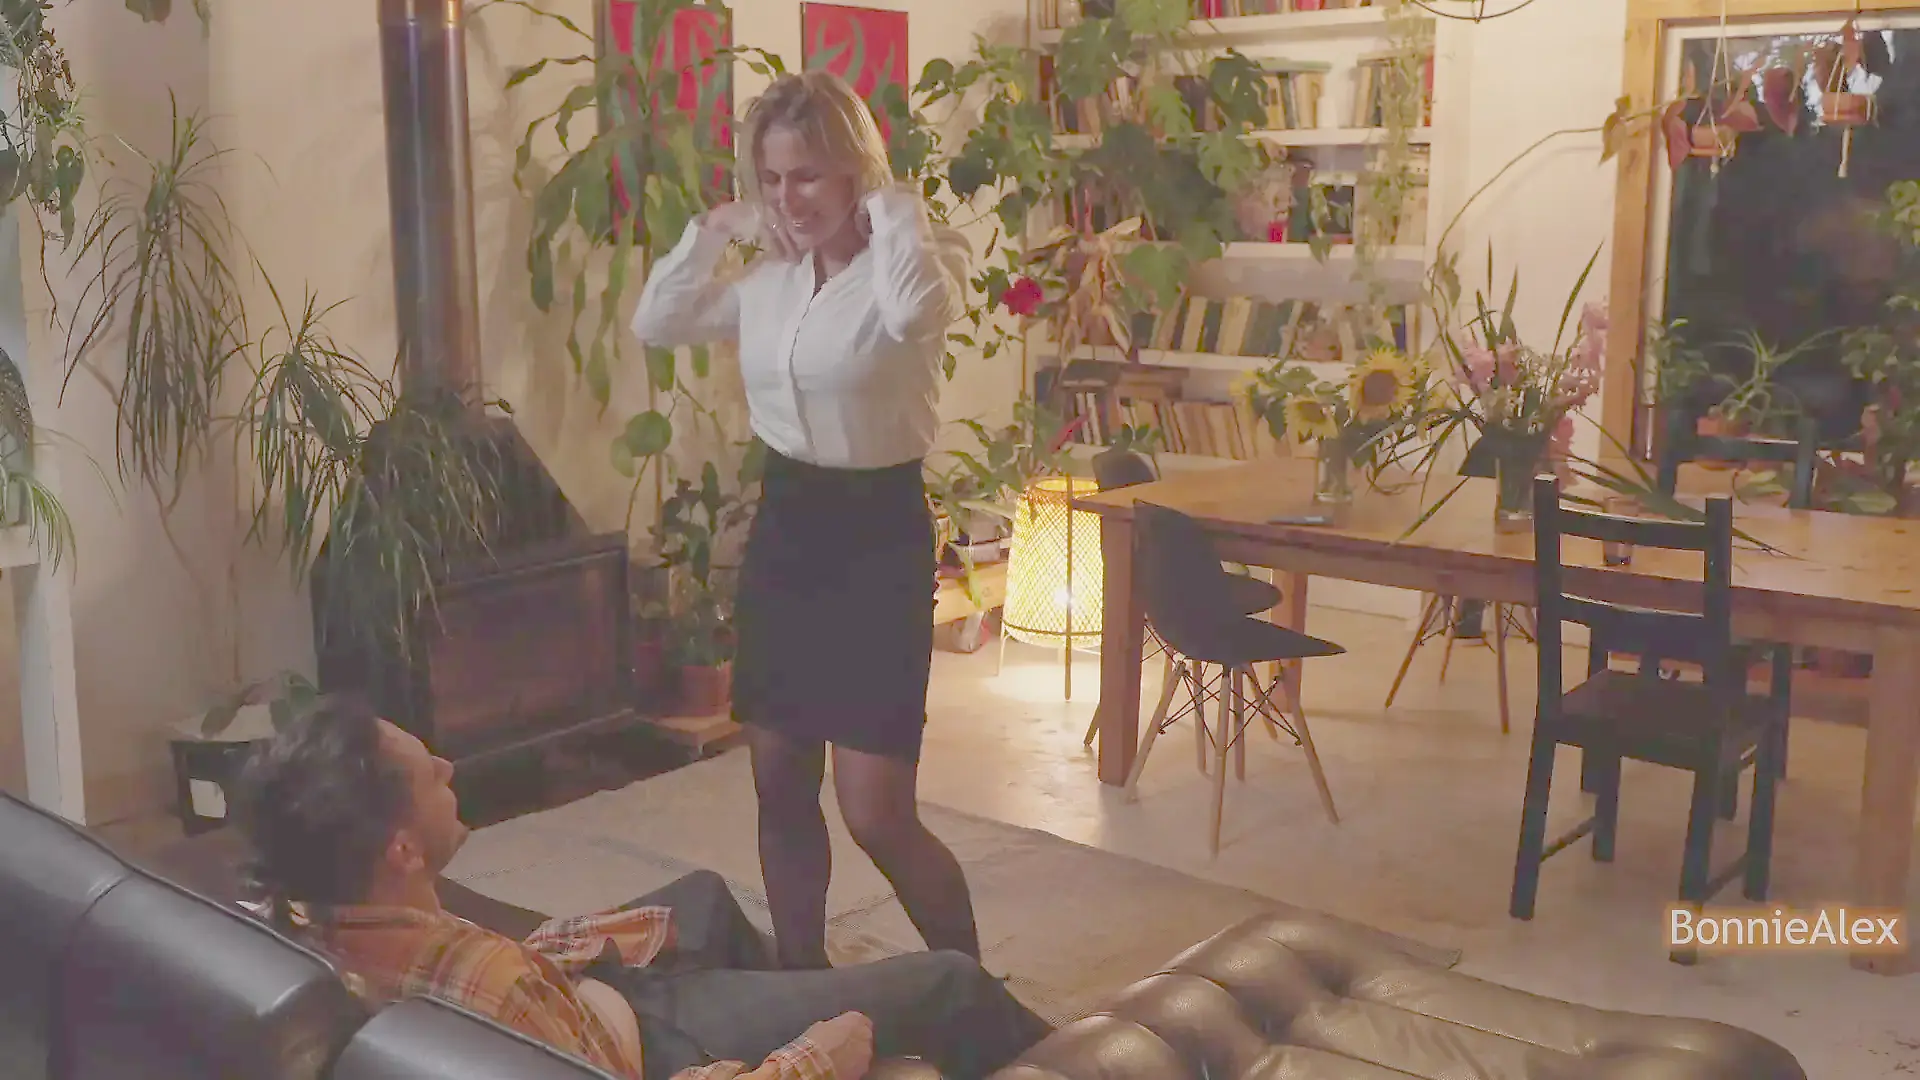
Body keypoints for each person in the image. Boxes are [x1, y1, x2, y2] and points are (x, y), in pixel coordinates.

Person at [229, 697, 1051, 1080]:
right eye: (428, 774)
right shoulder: (495, 994)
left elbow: (509, 977)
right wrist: (814, 1058)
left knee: (705, 897)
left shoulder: (313, 919)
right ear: (403, 849)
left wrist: (574, 954)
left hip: (583, 993)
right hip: (653, 1045)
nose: (448, 767)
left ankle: (793, 995)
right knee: (950, 982)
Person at [630, 71, 978, 970]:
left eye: (810, 175)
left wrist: (892, 209)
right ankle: (801, 981)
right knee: (780, 784)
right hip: (787, 528)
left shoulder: (920, 256)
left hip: (877, 536)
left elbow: (915, 312)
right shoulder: (769, 281)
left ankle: (975, 992)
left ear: (856, 169)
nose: (790, 198)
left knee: (876, 812)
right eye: (774, 178)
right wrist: (719, 227)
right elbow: (656, 320)